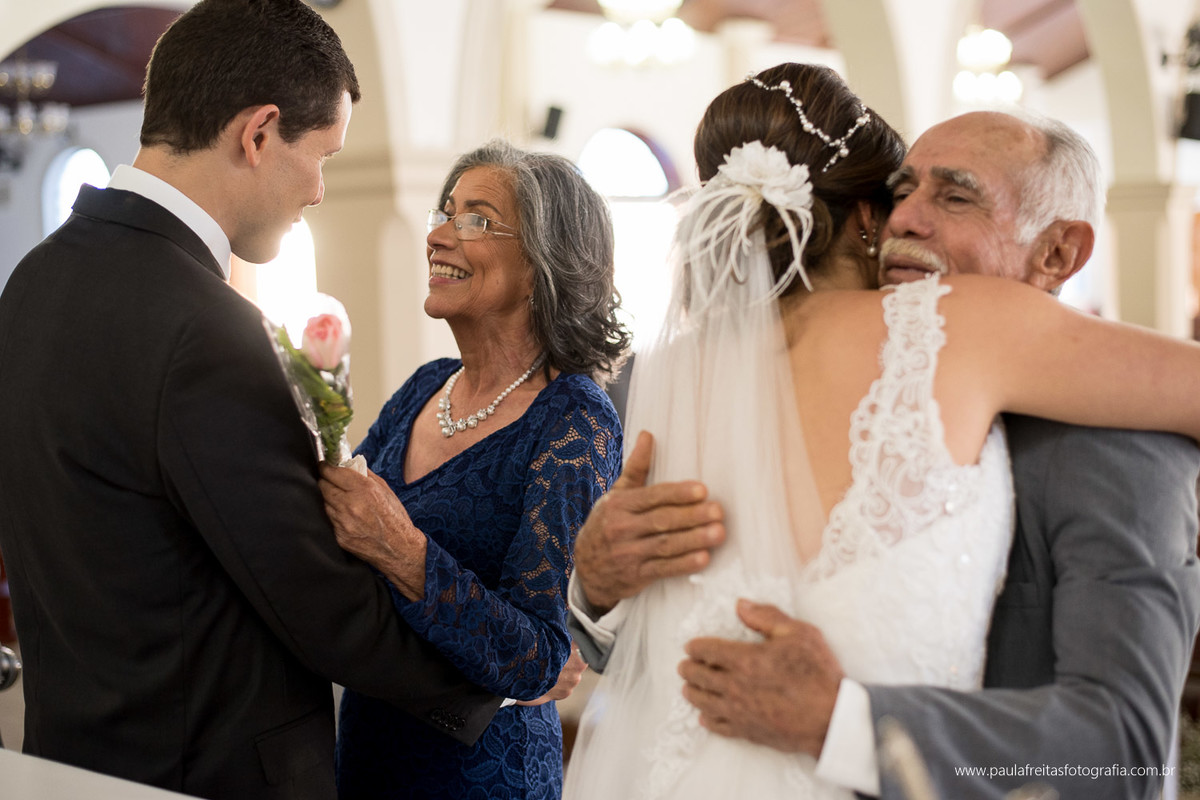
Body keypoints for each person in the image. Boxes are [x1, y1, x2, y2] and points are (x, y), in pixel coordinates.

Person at [563, 63, 1200, 800]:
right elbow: (657, 656)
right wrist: (597, 586)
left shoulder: (1123, 445)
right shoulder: (708, 384)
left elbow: (1119, 757)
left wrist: (846, 723)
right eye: (899, 191)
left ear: (1059, 253)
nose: (905, 220)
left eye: (955, 196)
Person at [0, 2, 502, 797]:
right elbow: (314, 599)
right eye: (323, 155)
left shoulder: (30, 284)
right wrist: (501, 678)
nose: (320, 189)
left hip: (69, 760)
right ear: (259, 132)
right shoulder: (206, 329)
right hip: (214, 770)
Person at [318, 139, 629, 799]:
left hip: (484, 777)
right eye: (444, 213)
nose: (437, 236)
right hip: (369, 753)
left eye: (477, 221)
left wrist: (405, 554)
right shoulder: (423, 388)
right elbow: (340, 536)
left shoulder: (574, 421)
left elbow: (542, 657)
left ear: (543, 261)